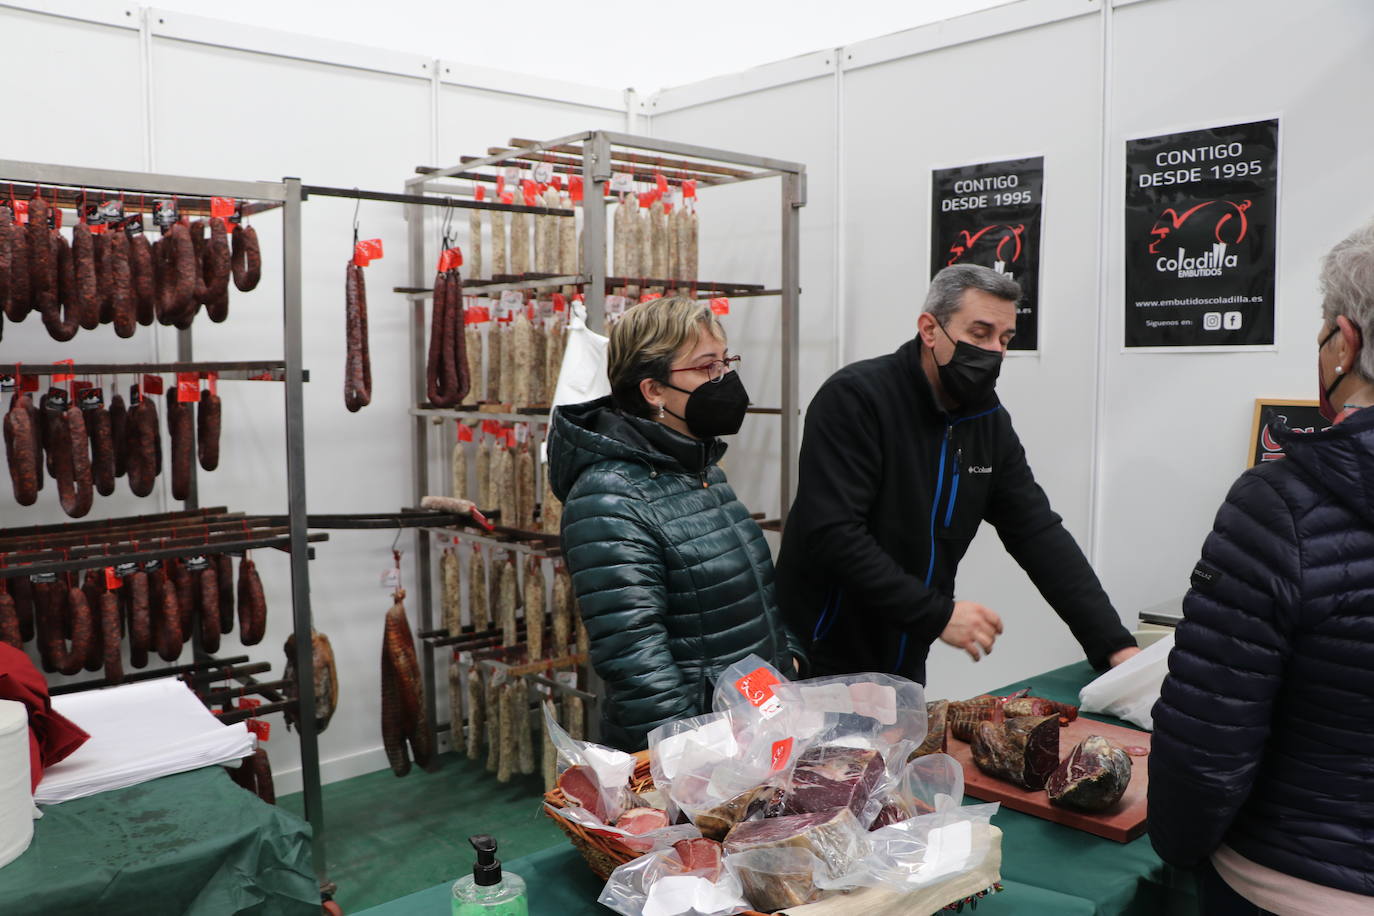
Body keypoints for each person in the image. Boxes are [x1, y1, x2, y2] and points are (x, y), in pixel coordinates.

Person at [1149, 220, 1374, 915]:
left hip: (1294, 886)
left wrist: (1179, 848)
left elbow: (1206, 750)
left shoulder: (1281, 503)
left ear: (1344, 341)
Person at [775, 264, 1138, 683]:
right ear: (930, 330)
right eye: (979, 333)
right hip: (820, 651)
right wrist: (938, 614)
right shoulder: (856, 398)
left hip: (906, 652)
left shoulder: (987, 421)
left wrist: (1114, 644)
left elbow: (1037, 531)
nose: (994, 352)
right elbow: (833, 534)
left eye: (1004, 339)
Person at [547, 296, 803, 751]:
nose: (723, 378)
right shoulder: (607, 497)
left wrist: (787, 661)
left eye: (726, 362)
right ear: (653, 390)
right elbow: (636, 660)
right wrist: (696, 758)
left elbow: (750, 594)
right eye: (707, 367)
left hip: (748, 721)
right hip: (697, 748)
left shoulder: (699, 470)